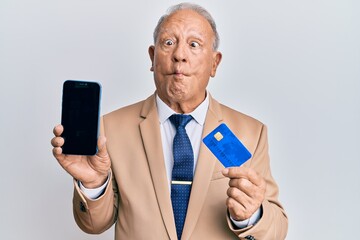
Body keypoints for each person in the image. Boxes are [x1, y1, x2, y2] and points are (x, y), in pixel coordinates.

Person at [51, 3, 288, 240]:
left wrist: (250, 215)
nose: (179, 55)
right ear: (153, 58)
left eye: (194, 44)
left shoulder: (251, 132)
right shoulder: (109, 130)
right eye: (169, 43)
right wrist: (93, 184)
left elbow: (277, 231)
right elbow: (94, 225)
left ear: (214, 63)